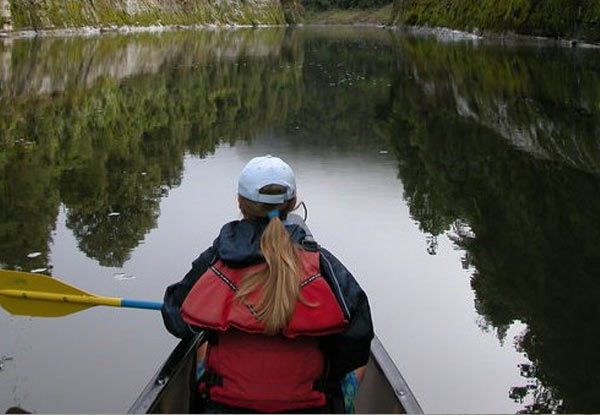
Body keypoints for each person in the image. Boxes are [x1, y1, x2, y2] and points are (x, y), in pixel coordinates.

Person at [161, 155, 374, 413]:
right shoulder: (321, 263)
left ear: (240, 203)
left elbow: (176, 314)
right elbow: (359, 333)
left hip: (226, 405)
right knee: (360, 364)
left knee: (202, 343)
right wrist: (324, 367)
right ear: (292, 203)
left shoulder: (217, 259)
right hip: (307, 406)